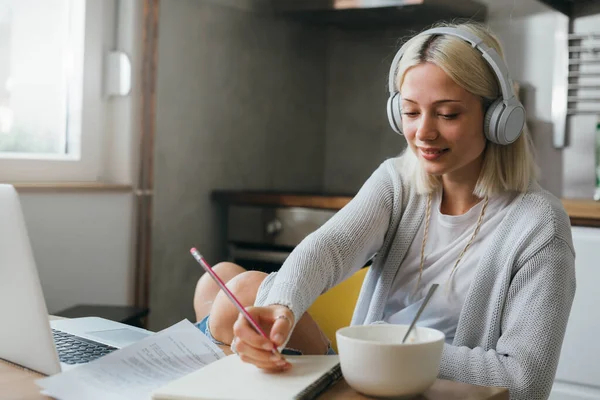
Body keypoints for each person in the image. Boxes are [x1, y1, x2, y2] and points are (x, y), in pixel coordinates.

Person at [193, 21, 576, 400]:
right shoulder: (398, 182)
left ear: (497, 119)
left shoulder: (538, 224)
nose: (424, 133)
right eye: (411, 112)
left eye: (447, 114)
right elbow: (330, 247)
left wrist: (386, 347)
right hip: (362, 374)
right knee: (219, 280)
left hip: (428, 390)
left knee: (239, 292)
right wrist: (283, 307)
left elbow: (525, 381)